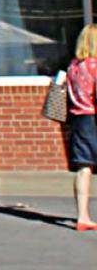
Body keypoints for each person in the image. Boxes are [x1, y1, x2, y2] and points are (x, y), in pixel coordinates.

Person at [68, 23, 97, 231]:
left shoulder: (73, 66)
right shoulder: (95, 66)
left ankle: (82, 216)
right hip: (93, 117)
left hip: (77, 118)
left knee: (83, 167)